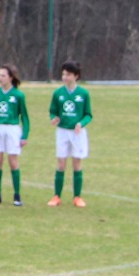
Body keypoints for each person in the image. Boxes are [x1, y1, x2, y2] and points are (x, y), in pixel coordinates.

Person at [48, 60, 92, 208]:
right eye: (63, 74)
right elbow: (53, 111)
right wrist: (54, 118)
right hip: (62, 132)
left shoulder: (83, 94)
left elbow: (88, 115)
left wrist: (81, 123)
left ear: (76, 76)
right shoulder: (58, 93)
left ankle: (77, 197)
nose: (65, 77)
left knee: (76, 163)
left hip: (77, 133)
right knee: (61, 163)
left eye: (68, 74)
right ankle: (56, 196)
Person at [0, 64, 30, 206]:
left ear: (11, 77)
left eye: (3, 75)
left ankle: (17, 196)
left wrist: (24, 136)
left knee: (13, 162)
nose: (0, 78)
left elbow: (25, 117)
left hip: (12, 130)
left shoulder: (18, 95)